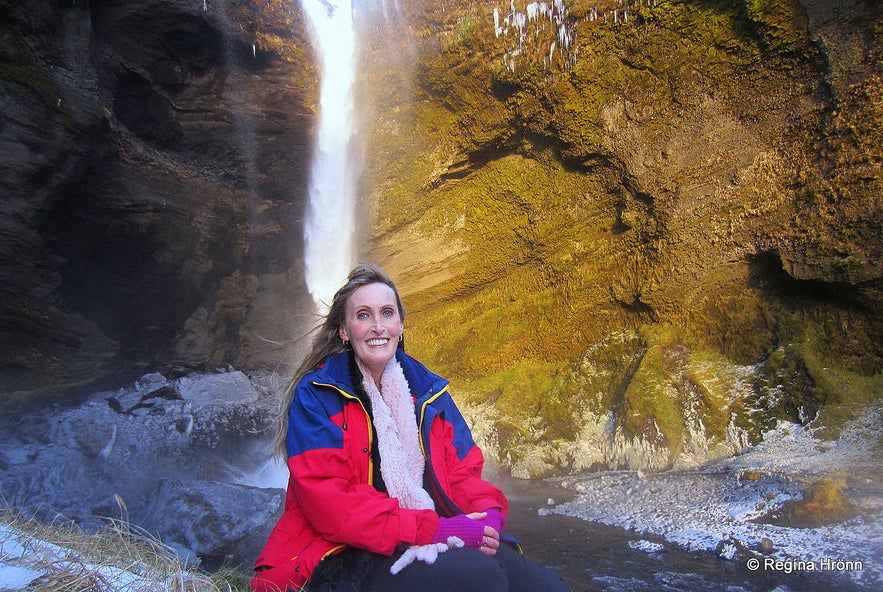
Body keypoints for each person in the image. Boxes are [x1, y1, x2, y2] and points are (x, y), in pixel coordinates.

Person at [251, 263, 570, 592]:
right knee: (481, 578)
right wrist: (435, 531)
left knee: (546, 587)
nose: (378, 326)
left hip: (428, 526)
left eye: (387, 313)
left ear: (401, 325)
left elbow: (462, 471)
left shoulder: (428, 391)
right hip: (343, 549)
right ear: (344, 330)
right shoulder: (317, 394)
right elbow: (332, 503)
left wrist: (487, 515)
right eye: (363, 315)